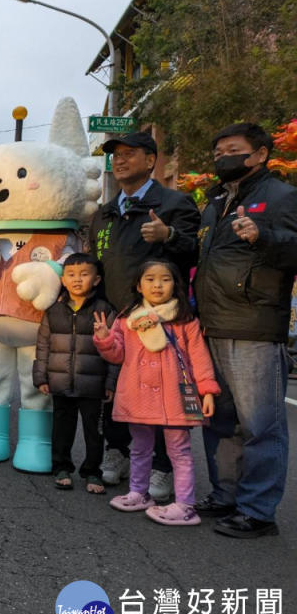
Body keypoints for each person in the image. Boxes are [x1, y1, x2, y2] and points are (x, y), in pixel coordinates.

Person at [193, 122, 297, 538]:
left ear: (259, 155)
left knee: (261, 426)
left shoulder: (281, 198)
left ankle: (257, 511)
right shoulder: (215, 201)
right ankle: (227, 496)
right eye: (218, 152)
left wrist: (264, 236)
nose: (223, 157)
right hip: (211, 324)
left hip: (253, 326)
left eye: (232, 150)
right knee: (221, 421)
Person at [88, 130, 201, 496]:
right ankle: (117, 452)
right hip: (116, 319)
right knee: (118, 391)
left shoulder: (174, 203)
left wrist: (168, 235)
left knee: (163, 396)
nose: (119, 160)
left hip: (161, 323)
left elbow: (196, 254)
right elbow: (96, 262)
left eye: (129, 154)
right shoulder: (105, 213)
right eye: (115, 155)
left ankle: (163, 466)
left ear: (151, 161)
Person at [94, 260, 219, 526]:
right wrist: (105, 338)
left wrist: (206, 390)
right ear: (138, 286)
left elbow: (199, 357)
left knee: (180, 451)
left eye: (165, 279)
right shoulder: (127, 318)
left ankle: (185, 504)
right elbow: (116, 355)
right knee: (139, 447)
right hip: (137, 395)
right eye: (150, 279)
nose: (157, 285)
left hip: (174, 396)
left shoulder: (184, 319)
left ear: (176, 284)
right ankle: (139, 493)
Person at [33, 253, 117, 493]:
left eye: (84, 274)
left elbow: (114, 350)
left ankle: (92, 471)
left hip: (94, 385)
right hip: (60, 381)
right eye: (71, 275)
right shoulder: (53, 310)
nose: (77, 280)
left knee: (94, 430)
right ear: (63, 279)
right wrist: (41, 376)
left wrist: (111, 382)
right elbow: (43, 346)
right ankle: (61, 467)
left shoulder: (104, 310)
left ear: (97, 279)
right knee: (61, 427)